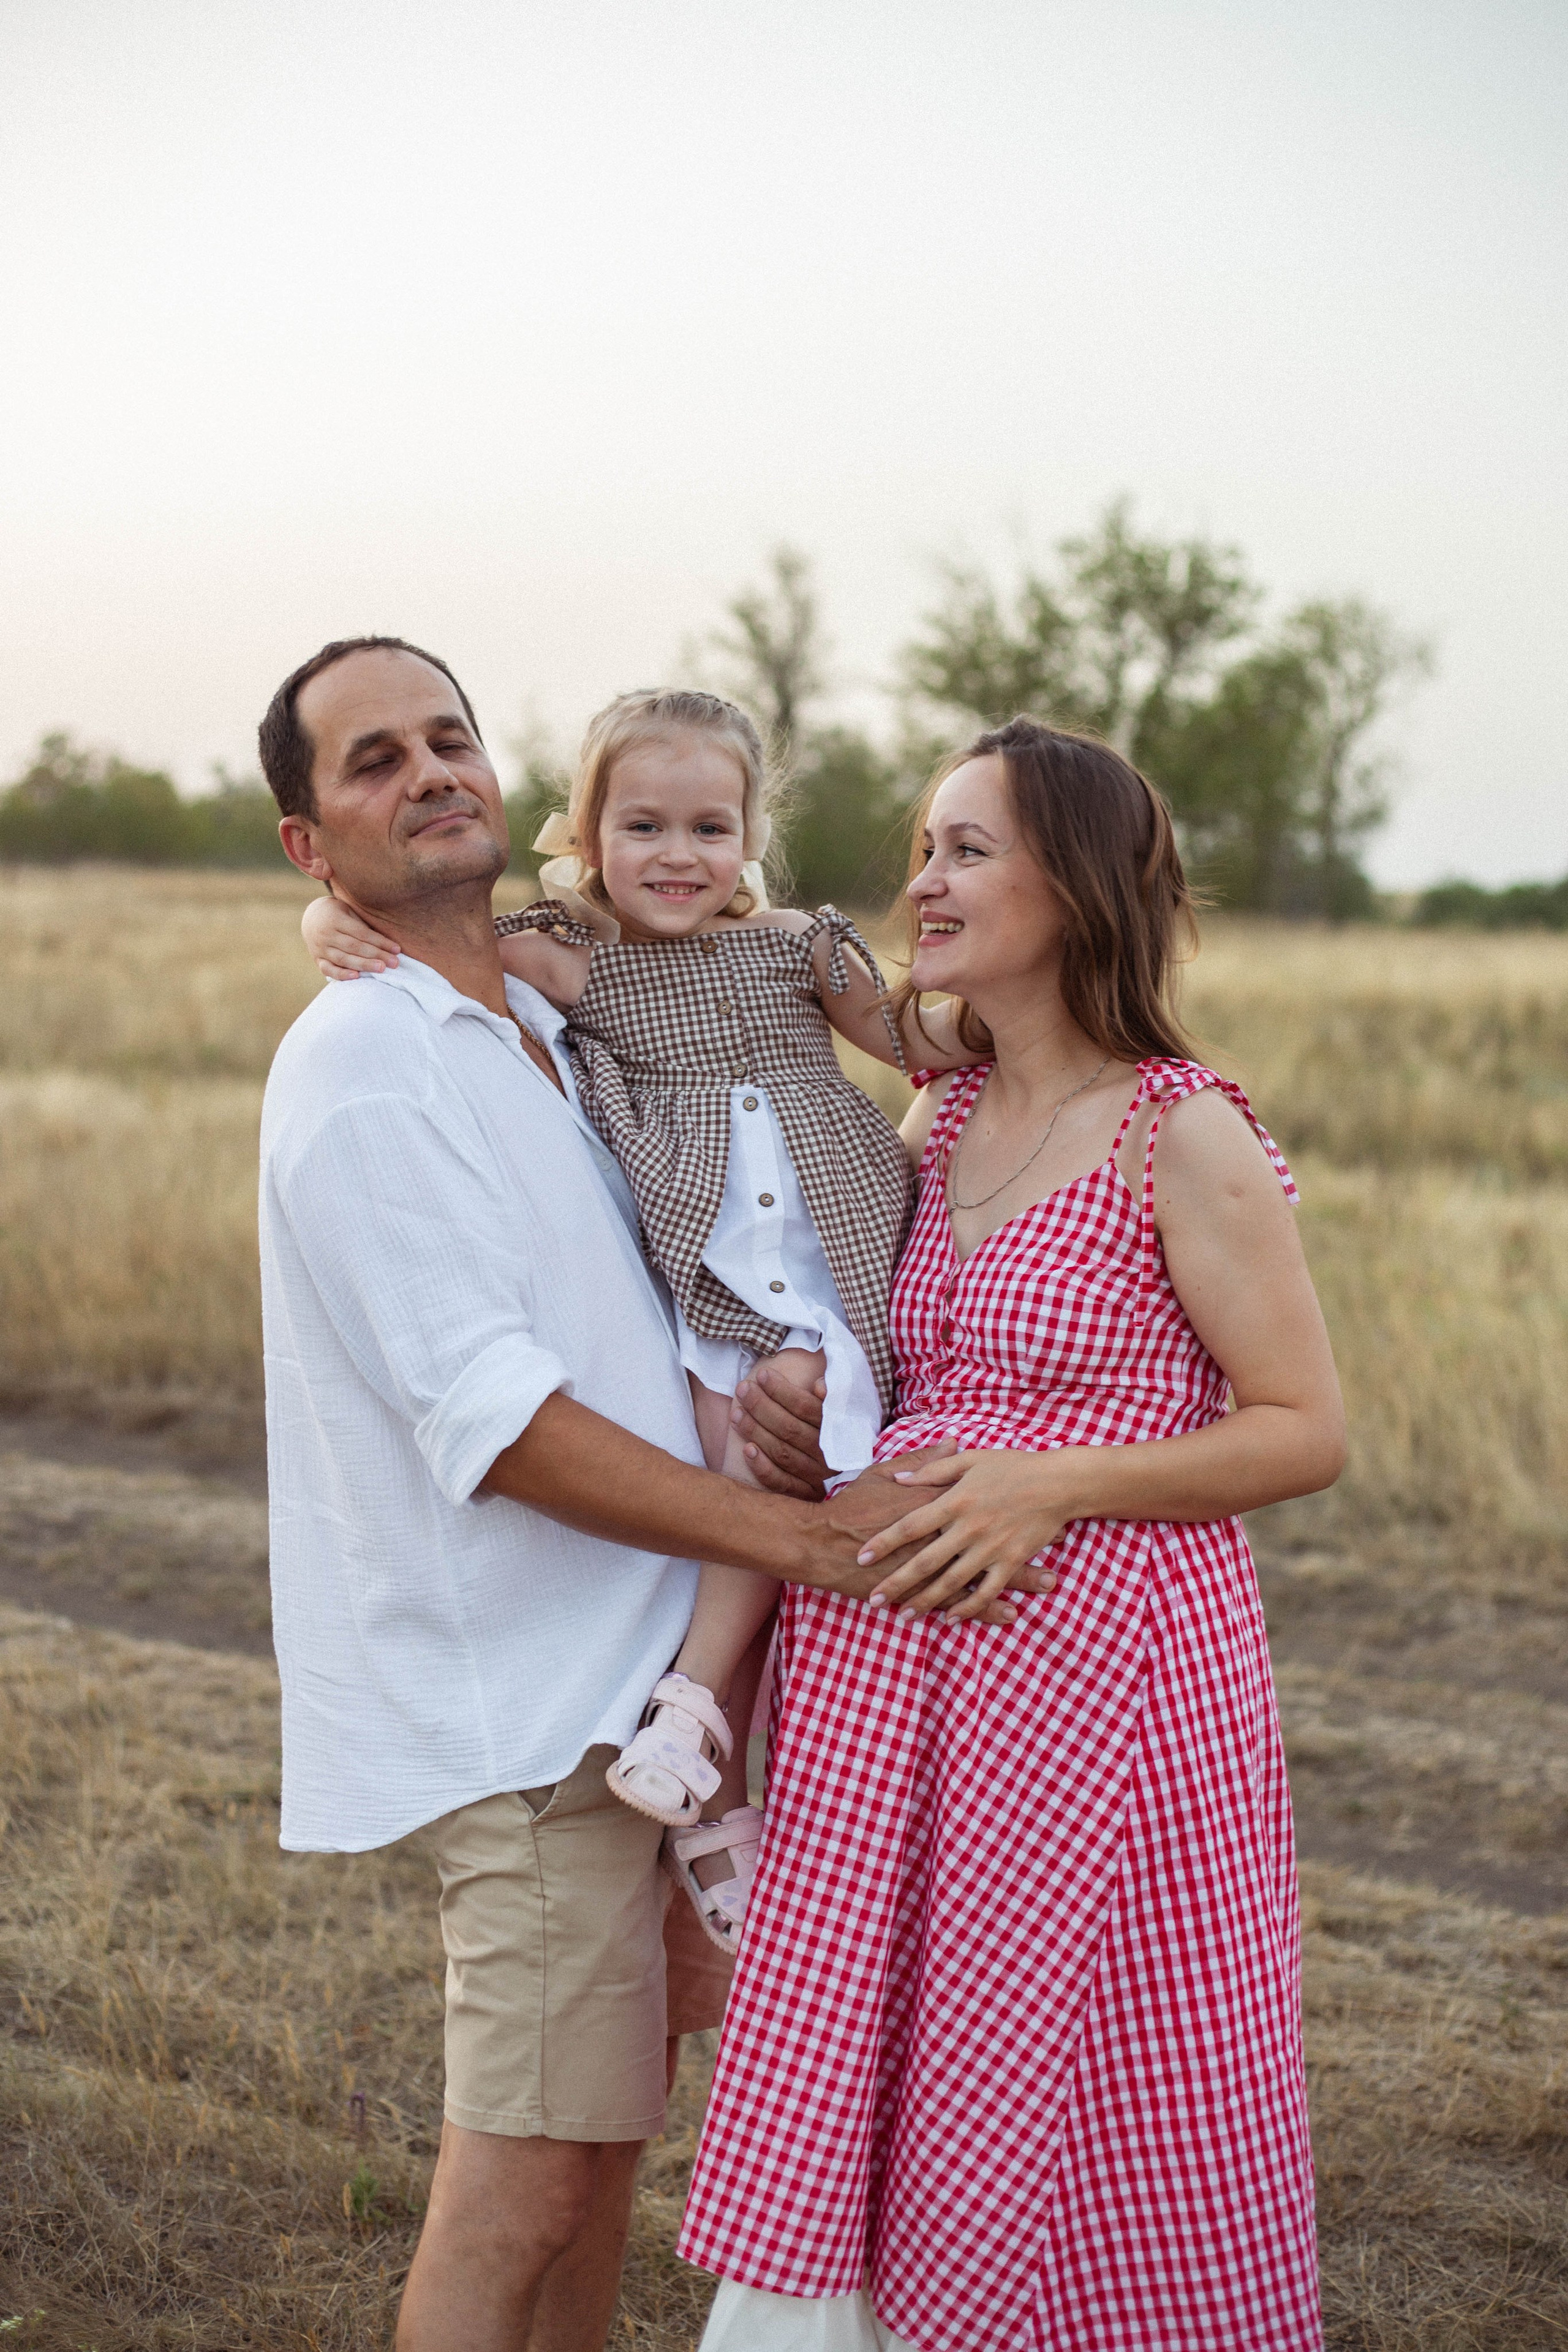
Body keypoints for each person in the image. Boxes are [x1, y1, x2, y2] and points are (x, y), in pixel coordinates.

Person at [255, 638, 1018, 2352]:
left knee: (596, 2169)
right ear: (314, 843)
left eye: (448, 737)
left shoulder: (527, 1013)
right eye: (372, 762)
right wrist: (809, 1539)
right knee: (521, 2187)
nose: (427, 769)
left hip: (626, 1692)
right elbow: (502, 1425)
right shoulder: (371, 1064)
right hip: (535, 1725)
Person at [681, 718, 1346, 2352]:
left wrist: (1050, 1486)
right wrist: (806, 1412)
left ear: (1082, 881)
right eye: (926, 845)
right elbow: (915, 1375)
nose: (925, 878)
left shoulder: (1172, 1130)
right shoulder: (938, 1119)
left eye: (967, 849)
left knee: (1083, 2066)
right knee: (894, 2045)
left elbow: (1301, 1429)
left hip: (1099, 1698)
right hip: (887, 1702)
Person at [303, 687, 975, 1954]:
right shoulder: (571, 951)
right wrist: (321, 915)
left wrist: (1005, 983)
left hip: (839, 1259)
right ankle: (692, 1742)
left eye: (710, 829)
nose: (679, 858)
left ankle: (809, 1781)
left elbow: (914, 1039)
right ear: (587, 831)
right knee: (741, 1477)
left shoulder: (797, 946)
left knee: (833, 1504)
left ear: (749, 836)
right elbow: (421, 930)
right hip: (717, 1283)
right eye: (646, 828)